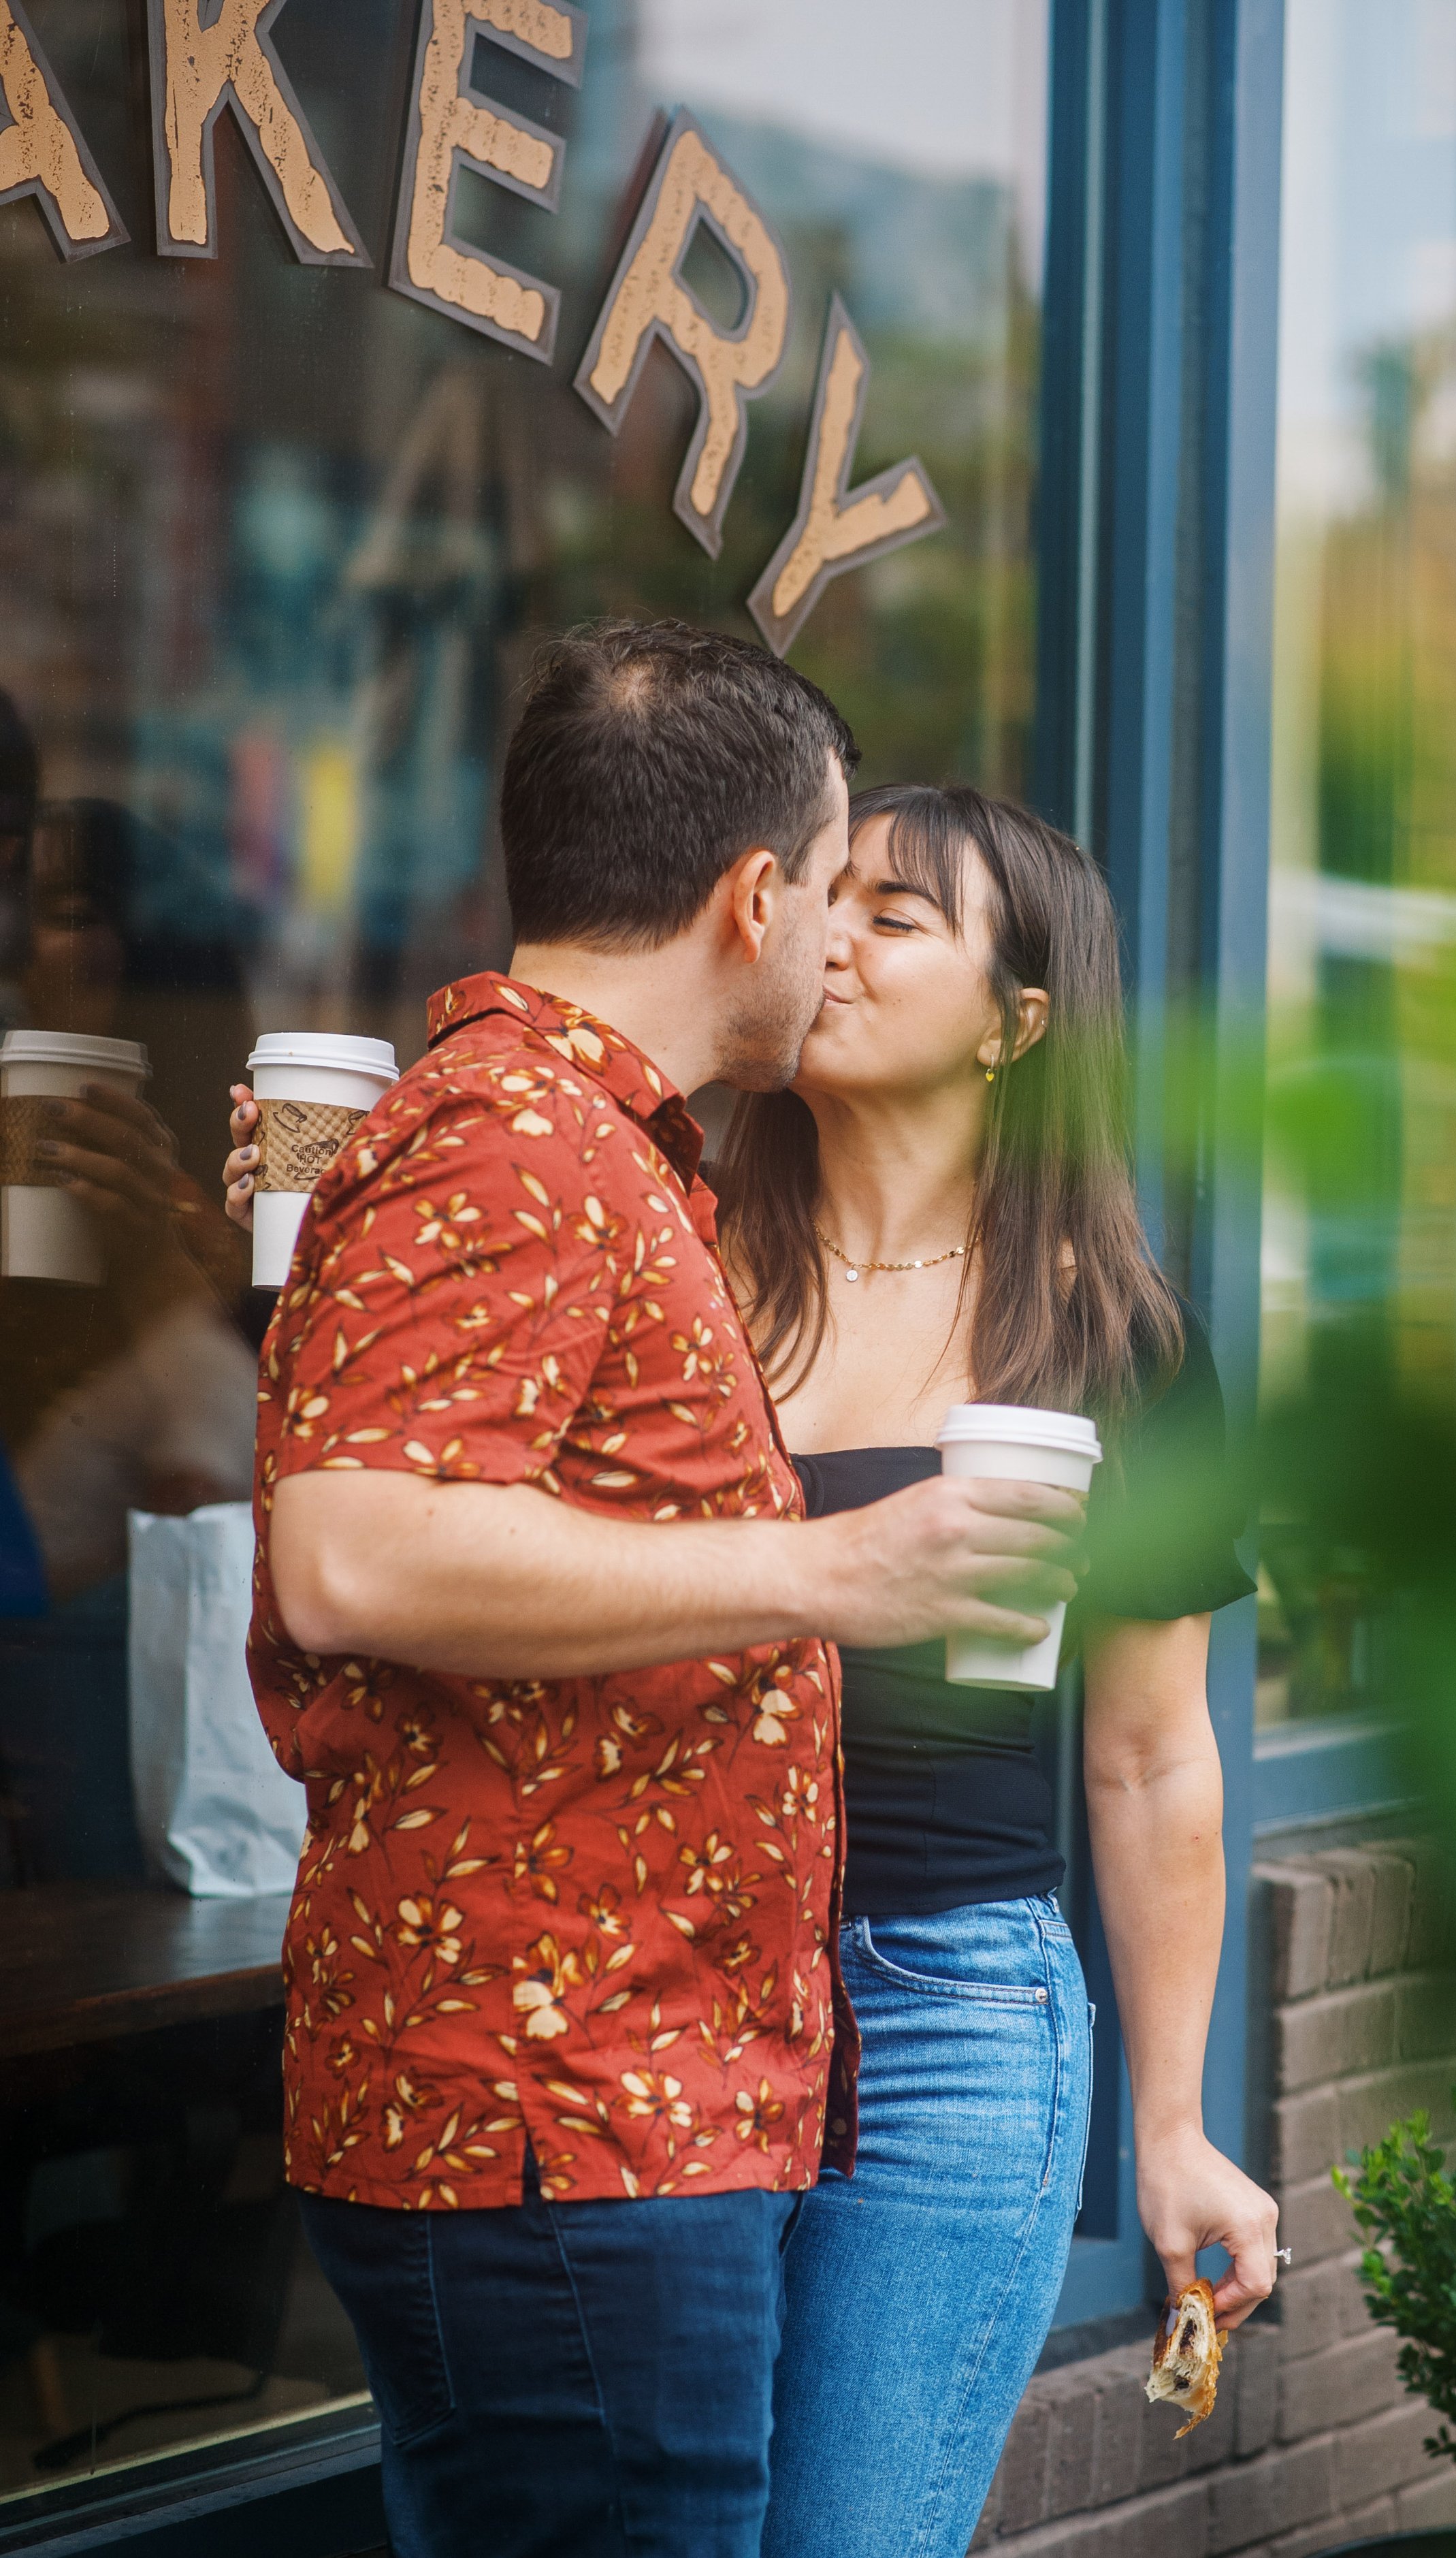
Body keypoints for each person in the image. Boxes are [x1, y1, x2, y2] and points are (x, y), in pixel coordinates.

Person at [225, 625, 1087, 2558]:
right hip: (564, 2113)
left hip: (615, 2103)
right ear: (753, 895)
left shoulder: (579, 1151)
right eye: (835, 889)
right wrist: (828, 1563)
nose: (837, 946)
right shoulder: (521, 1144)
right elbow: (355, 1551)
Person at [713, 784, 1280, 2558]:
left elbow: (1148, 1759)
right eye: (828, 895)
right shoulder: (679, 1257)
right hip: (673, 1983)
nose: (833, 937)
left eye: (896, 916)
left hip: (950, 2013)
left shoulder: (1105, 1333)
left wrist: (1174, 2125)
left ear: (1016, 1023)